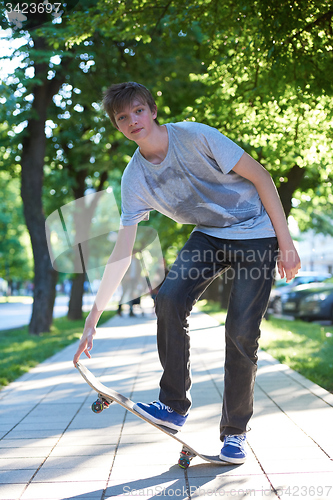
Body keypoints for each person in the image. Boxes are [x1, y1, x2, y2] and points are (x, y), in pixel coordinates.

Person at [73, 82, 301, 465]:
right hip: (208, 237)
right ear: (117, 126)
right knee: (170, 297)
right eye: (122, 118)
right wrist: (92, 320)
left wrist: (286, 242)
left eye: (138, 111)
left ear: (153, 110)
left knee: (242, 332)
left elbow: (261, 177)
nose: (133, 121)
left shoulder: (195, 136)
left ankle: (235, 434)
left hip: (257, 234)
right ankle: (173, 406)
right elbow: (122, 254)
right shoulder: (134, 179)